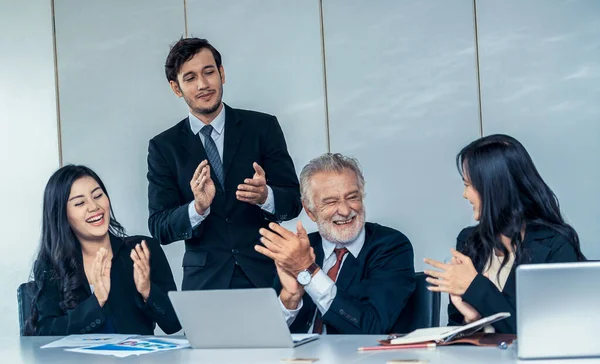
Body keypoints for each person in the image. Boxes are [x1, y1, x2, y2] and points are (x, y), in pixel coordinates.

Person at [147, 37, 301, 290]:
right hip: (204, 283)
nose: (203, 84)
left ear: (222, 74)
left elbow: (293, 201)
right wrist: (197, 208)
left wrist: (266, 196)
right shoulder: (164, 147)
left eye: (209, 72)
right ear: (176, 88)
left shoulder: (263, 127)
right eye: (190, 78)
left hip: (264, 275)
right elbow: (159, 227)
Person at [424, 134, 586, 334]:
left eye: (468, 185)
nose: (464, 194)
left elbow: (543, 332)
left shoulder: (554, 246)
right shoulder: (470, 241)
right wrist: (471, 320)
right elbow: (456, 331)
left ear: (494, 188)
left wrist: (476, 287)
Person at [256, 153, 415, 334]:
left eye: (353, 197)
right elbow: (266, 337)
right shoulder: (302, 249)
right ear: (310, 212)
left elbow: (372, 327)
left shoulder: (391, 246)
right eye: (331, 202)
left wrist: (309, 270)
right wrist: (290, 298)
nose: (345, 210)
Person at [26, 165, 180, 336]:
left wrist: (147, 290)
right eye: (80, 203)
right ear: (62, 215)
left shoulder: (143, 249)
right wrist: (97, 300)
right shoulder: (50, 265)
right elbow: (44, 333)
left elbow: (173, 324)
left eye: (98, 195)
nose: (94, 207)